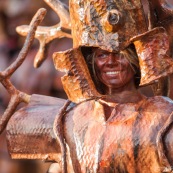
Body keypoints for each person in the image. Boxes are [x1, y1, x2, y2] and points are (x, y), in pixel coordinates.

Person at [4, 0, 173, 173]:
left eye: (120, 53)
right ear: (90, 62)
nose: (111, 62)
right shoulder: (67, 119)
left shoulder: (165, 118)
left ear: (136, 58)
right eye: (102, 55)